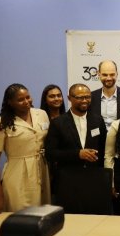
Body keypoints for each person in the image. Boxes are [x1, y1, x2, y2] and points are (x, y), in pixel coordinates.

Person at [45, 83, 109, 214]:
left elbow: (104, 149)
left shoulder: (97, 120)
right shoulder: (58, 123)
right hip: (68, 181)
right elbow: (50, 154)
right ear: (69, 98)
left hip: (93, 179)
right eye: (80, 97)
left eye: (87, 97)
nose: (85, 100)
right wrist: (77, 154)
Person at [0, 83, 51, 213]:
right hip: (18, 174)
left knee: (44, 214)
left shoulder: (41, 114)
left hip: (42, 170)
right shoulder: (1, 123)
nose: (26, 101)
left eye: (28, 97)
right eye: (20, 99)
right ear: (10, 102)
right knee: (21, 215)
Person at [89, 60, 120, 129]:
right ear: (98, 74)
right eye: (105, 75)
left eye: (112, 74)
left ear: (117, 74)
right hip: (98, 139)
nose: (108, 78)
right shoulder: (90, 97)